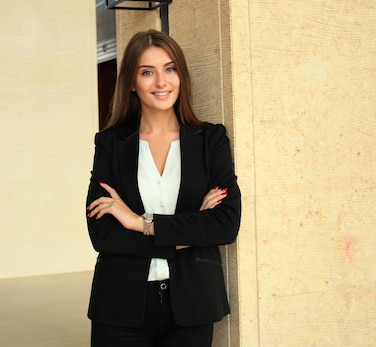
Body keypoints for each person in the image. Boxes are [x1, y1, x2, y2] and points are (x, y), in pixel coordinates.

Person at [85, 29, 241, 346]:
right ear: (131, 82)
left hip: (192, 305)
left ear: (181, 75)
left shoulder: (211, 141)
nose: (161, 82)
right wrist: (192, 227)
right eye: (147, 72)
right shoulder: (111, 144)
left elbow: (225, 225)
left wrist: (138, 222)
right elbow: (102, 234)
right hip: (119, 306)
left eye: (170, 69)